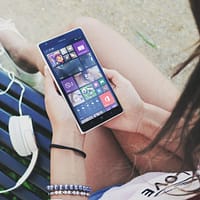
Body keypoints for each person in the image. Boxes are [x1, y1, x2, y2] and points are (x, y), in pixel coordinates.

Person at [0, 0, 199, 199]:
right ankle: (27, 55)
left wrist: (67, 139)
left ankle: (29, 57)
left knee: (68, 76)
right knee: (84, 37)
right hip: (179, 176)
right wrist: (141, 117)